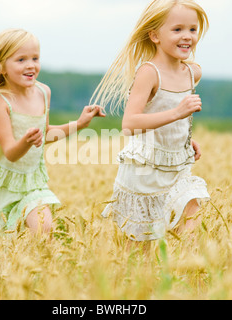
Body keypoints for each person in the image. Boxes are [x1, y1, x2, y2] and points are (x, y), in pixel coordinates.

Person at [0, 28, 105, 238]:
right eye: (20, 60)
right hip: (3, 186)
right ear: (1, 67)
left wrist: (80, 124)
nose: (31, 65)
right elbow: (10, 151)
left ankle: (41, 268)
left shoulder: (43, 92)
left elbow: (45, 134)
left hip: (32, 183)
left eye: (35, 58)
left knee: (44, 227)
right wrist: (27, 141)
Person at [90, 0, 210, 242]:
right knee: (139, 249)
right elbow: (130, 124)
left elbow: (169, 119)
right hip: (145, 171)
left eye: (192, 29)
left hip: (177, 165)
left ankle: (182, 276)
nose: (187, 36)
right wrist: (178, 113)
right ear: (154, 35)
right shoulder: (148, 72)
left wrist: (184, 138)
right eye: (177, 30)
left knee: (191, 222)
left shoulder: (192, 72)